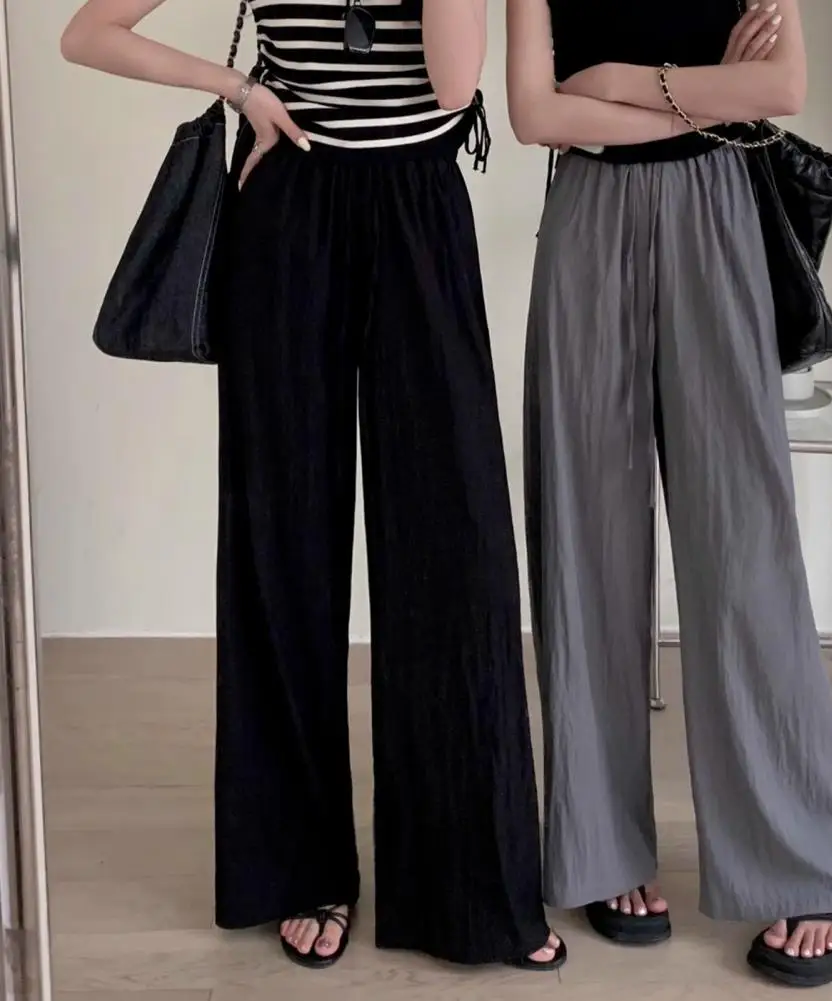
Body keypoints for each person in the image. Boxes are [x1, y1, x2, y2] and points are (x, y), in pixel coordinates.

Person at [61, 0, 565, 973]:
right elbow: (88, 33)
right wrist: (238, 90)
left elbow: (454, 85)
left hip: (419, 209)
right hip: (288, 212)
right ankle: (300, 867)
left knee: (453, 546)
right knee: (280, 540)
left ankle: (469, 884)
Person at [507, 0, 832, 987]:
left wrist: (618, 86)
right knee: (583, 540)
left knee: (742, 545)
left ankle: (814, 863)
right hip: (586, 220)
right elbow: (535, 116)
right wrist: (705, 97)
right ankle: (601, 845)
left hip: (718, 212)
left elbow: (780, 88)